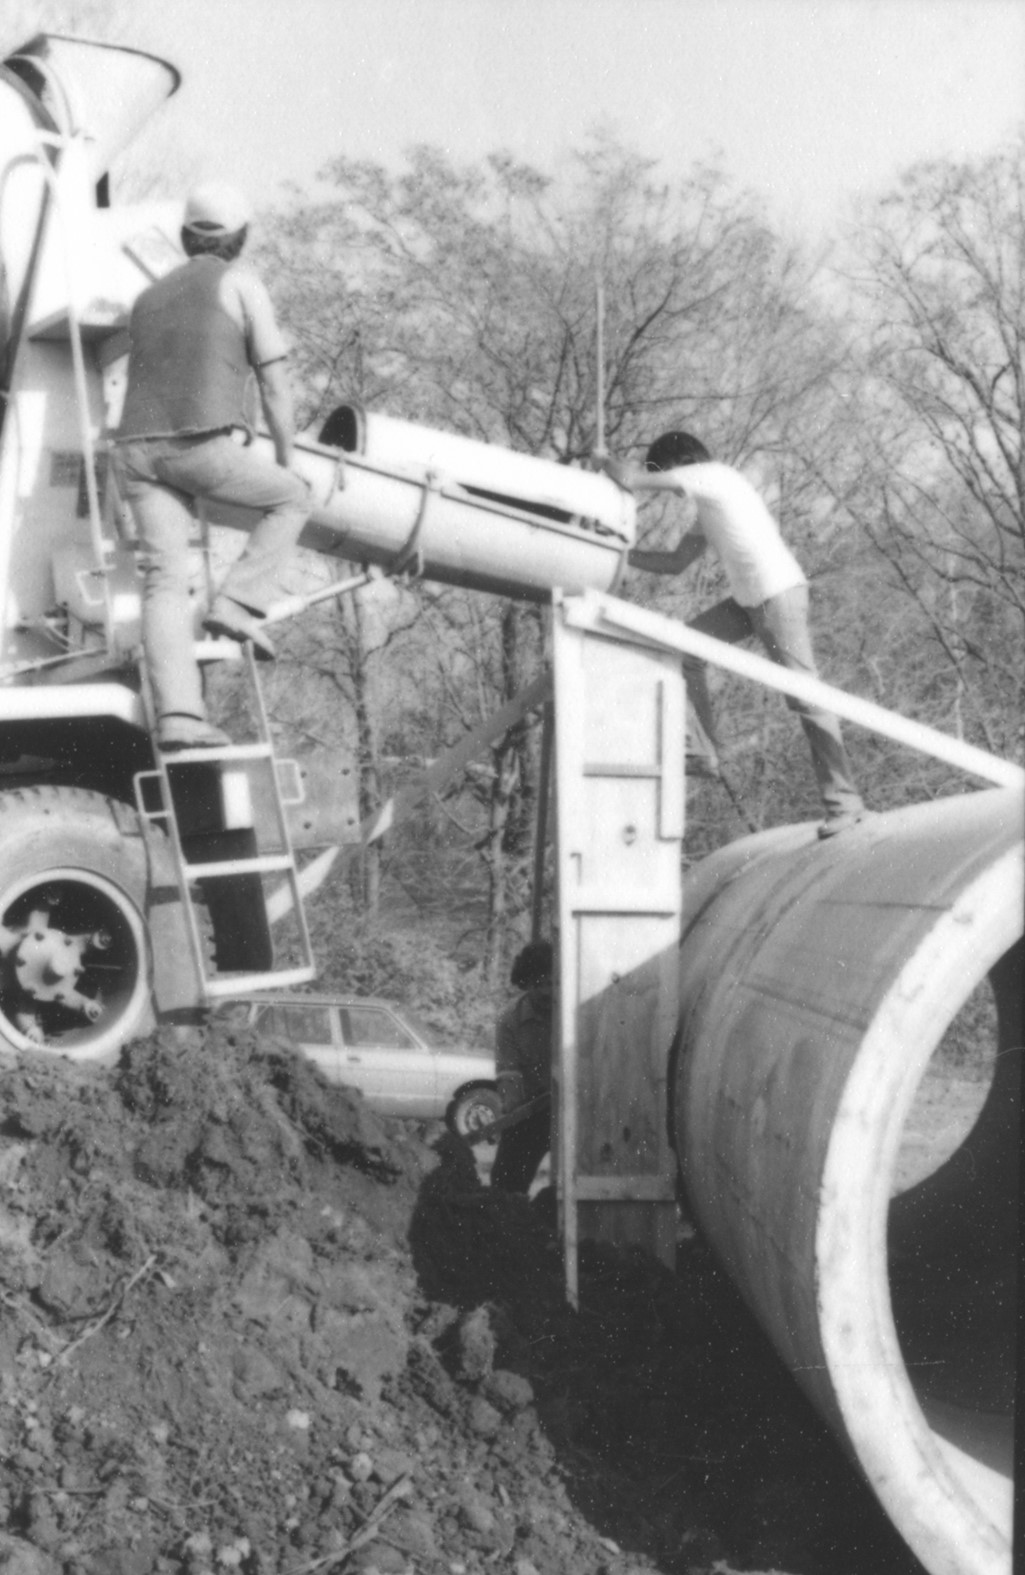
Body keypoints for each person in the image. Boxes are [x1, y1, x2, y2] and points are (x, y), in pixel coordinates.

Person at [111, 180, 312, 752]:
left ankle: (178, 718)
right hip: (196, 445)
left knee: (164, 581)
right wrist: (287, 461)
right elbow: (274, 385)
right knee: (291, 497)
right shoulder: (241, 284)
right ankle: (237, 605)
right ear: (240, 240)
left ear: (184, 237)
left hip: (135, 452)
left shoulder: (147, 297)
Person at [603, 431, 868, 838]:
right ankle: (705, 753)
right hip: (749, 603)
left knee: (805, 696)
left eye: (665, 474)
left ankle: (846, 804)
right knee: (684, 649)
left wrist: (602, 459)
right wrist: (622, 554)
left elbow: (631, 478)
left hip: (778, 596)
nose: (671, 490)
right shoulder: (707, 505)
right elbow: (675, 563)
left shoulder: (714, 475)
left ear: (679, 464)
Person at [491, 940, 554, 1195]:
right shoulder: (509, 1020)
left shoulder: (577, 1012)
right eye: (539, 984)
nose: (548, 991)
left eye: (553, 983)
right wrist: (511, 1110)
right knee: (505, 1180)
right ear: (526, 984)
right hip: (533, 1109)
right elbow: (509, 1074)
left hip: (576, 1109)